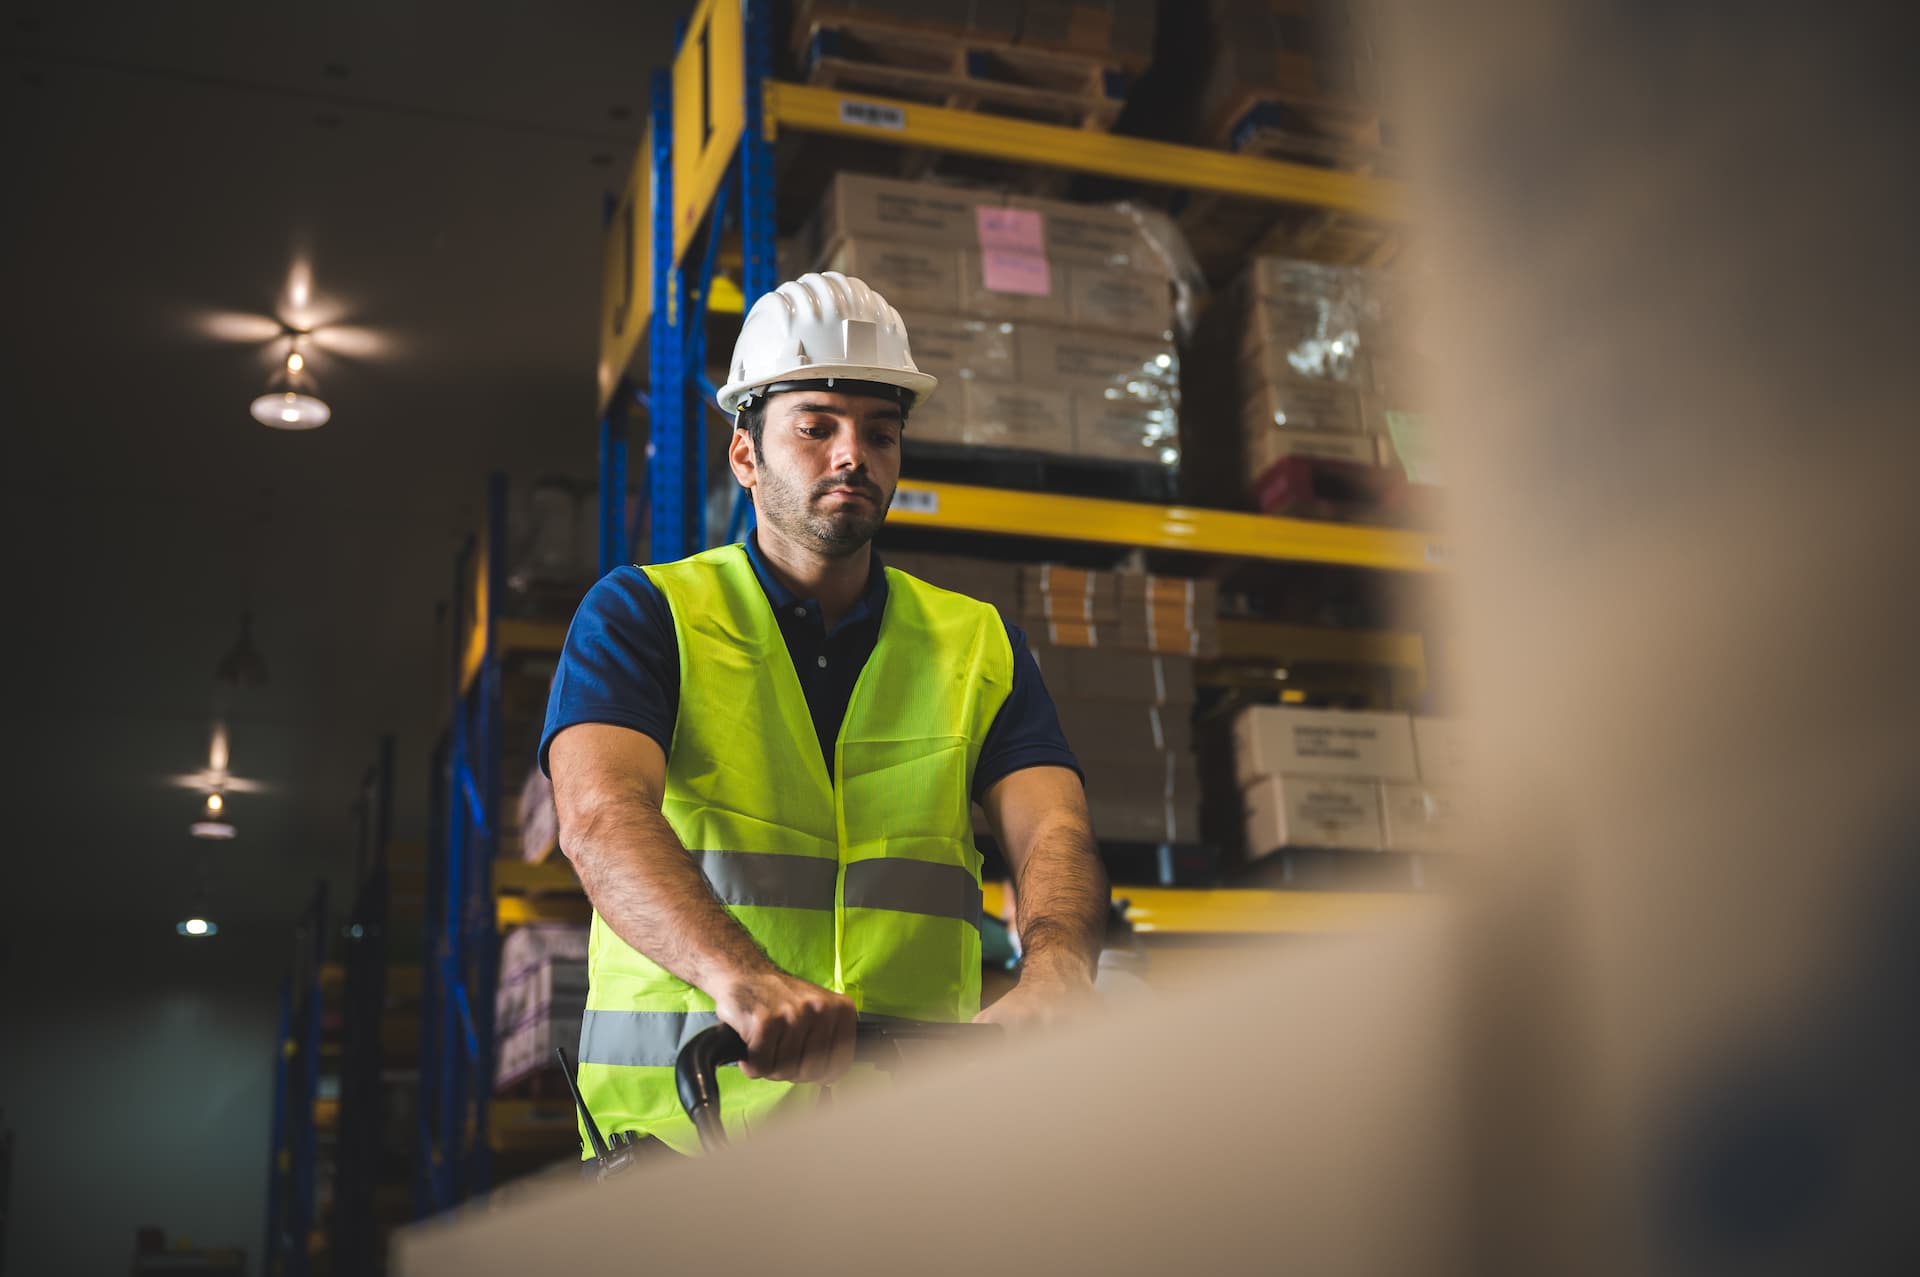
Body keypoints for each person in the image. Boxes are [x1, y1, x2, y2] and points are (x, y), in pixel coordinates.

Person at [541, 271, 1109, 1155]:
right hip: (682, 1149)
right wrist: (744, 978)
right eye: (817, 427)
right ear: (745, 456)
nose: (854, 454)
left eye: (880, 433)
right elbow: (599, 816)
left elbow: (1055, 833)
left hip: (904, 1156)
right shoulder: (645, 616)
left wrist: (1060, 967)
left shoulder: (978, 643)